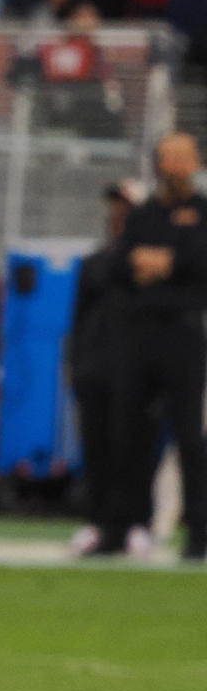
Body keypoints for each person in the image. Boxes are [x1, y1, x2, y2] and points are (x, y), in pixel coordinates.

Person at [96, 132, 207, 561]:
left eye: (183, 158)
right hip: (140, 334)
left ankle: (197, 534)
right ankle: (119, 529)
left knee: (189, 438)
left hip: (183, 333)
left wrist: (167, 263)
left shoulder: (201, 213)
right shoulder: (143, 213)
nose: (175, 166)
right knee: (126, 432)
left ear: (195, 162)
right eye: (168, 158)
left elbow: (199, 263)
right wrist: (157, 265)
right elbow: (119, 264)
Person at [67, 179, 142, 556]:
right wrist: (74, 366)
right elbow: (78, 320)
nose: (118, 216)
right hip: (95, 368)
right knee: (95, 449)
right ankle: (96, 522)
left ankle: (134, 524)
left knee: (132, 449)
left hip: (135, 369)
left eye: (127, 209)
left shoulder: (149, 264)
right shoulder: (95, 262)